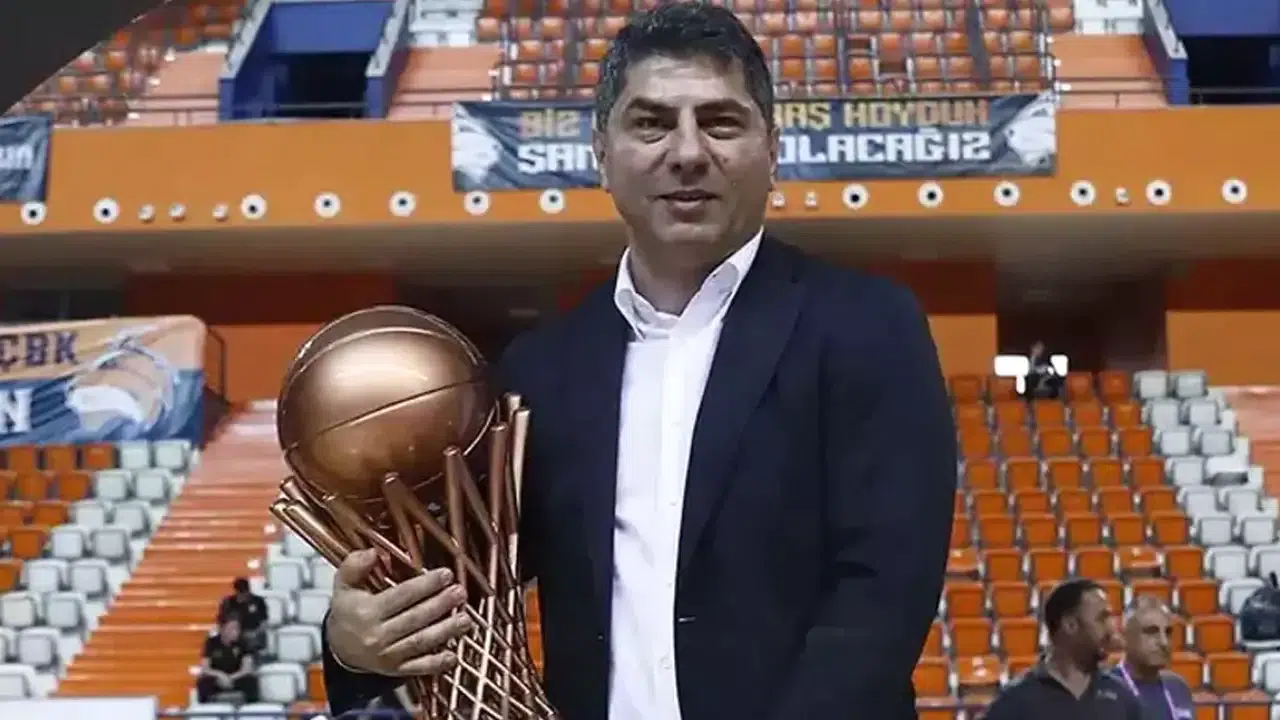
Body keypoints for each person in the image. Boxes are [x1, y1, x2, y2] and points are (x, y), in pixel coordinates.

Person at [318, 3, 956, 719]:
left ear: (772, 150)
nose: (687, 152)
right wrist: (353, 640)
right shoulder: (540, 372)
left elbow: (881, 597)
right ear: (602, 153)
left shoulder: (868, 328)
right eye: (651, 123)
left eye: (720, 122)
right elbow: (456, 581)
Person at [983, 579, 1142, 720]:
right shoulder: (1015, 701)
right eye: (1102, 619)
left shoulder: (1122, 696)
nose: (1112, 629)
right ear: (1070, 625)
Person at [1111, 596, 1195, 720]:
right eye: (1151, 632)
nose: (1164, 642)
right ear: (1125, 636)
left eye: (1167, 632)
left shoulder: (1177, 686)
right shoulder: (1105, 689)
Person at [197, 614, 260, 704]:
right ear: (222, 629)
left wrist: (230, 678)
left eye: (237, 628)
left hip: (237, 678)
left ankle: (251, 708)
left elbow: (246, 669)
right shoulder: (211, 642)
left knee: (251, 681)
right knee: (204, 682)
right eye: (231, 628)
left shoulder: (244, 642)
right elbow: (205, 668)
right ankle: (205, 709)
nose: (235, 631)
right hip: (218, 679)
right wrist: (220, 675)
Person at [218, 577, 267, 653]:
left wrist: (255, 633)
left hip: (254, 636)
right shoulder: (228, 602)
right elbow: (221, 623)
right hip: (235, 637)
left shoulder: (258, 601)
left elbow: (264, 621)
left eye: (245, 593)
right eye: (241, 594)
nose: (244, 597)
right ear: (236, 592)